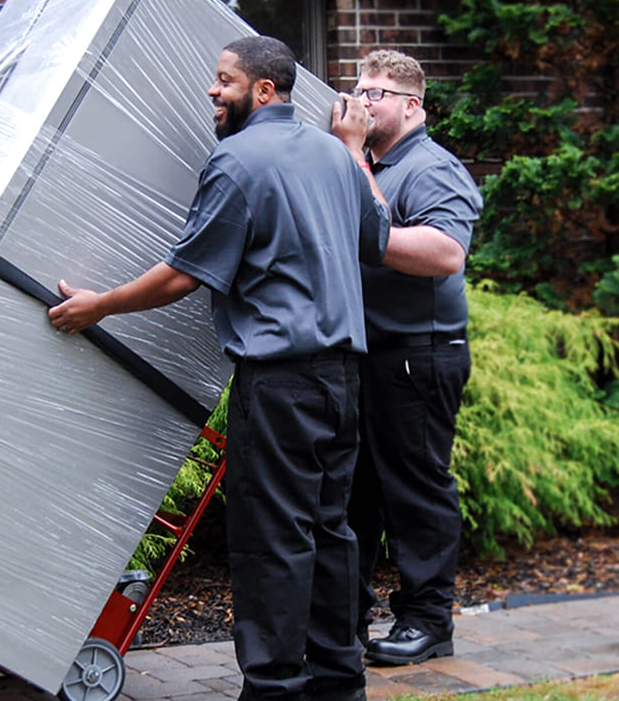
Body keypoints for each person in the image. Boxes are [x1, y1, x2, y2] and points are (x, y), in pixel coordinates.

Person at [50, 36, 389, 701]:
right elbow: (375, 240)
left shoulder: (237, 160)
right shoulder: (333, 153)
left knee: (272, 539)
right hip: (343, 380)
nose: (213, 90)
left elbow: (184, 274)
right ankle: (337, 684)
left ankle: (272, 689)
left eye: (225, 80)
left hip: (281, 383)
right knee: (330, 531)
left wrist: (101, 305)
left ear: (263, 90)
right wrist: (354, 150)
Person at [330, 49, 484, 665]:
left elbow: (446, 253)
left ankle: (428, 622)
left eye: (375, 93)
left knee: (416, 493)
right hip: (369, 354)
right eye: (358, 89)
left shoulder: (431, 168)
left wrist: (351, 157)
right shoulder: (375, 163)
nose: (361, 102)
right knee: (357, 495)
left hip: (418, 356)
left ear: (412, 105)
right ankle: (346, 621)